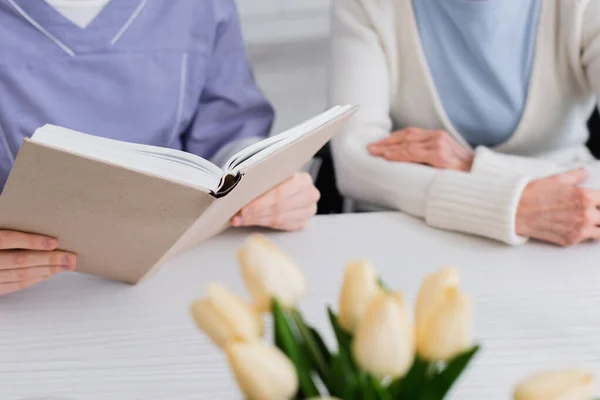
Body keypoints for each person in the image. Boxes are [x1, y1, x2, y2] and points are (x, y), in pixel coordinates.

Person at [0, 0, 320, 295]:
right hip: (22, 297)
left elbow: (227, 136)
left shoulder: (196, 8)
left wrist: (270, 188)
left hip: (171, 279)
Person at [329, 0, 600, 247]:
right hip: (412, 231)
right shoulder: (368, 6)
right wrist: (509, 206)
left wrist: (472, 165)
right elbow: (355, 164)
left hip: (570, 226)